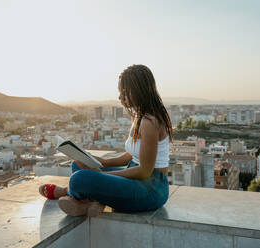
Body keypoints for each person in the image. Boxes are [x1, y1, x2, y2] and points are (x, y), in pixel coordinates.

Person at [39, 64, 173, 216]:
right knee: (79, 164)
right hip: (135, 178)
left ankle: (68, 193)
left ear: (138, 90)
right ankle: (90, 203)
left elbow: (144, 171)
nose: (120, 97)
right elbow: (132, 155)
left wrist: (103, 175)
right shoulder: (140, 116)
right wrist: (101, 162)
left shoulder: (150, 121)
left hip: (151, 190)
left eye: (124, 92)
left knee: (79, 179)